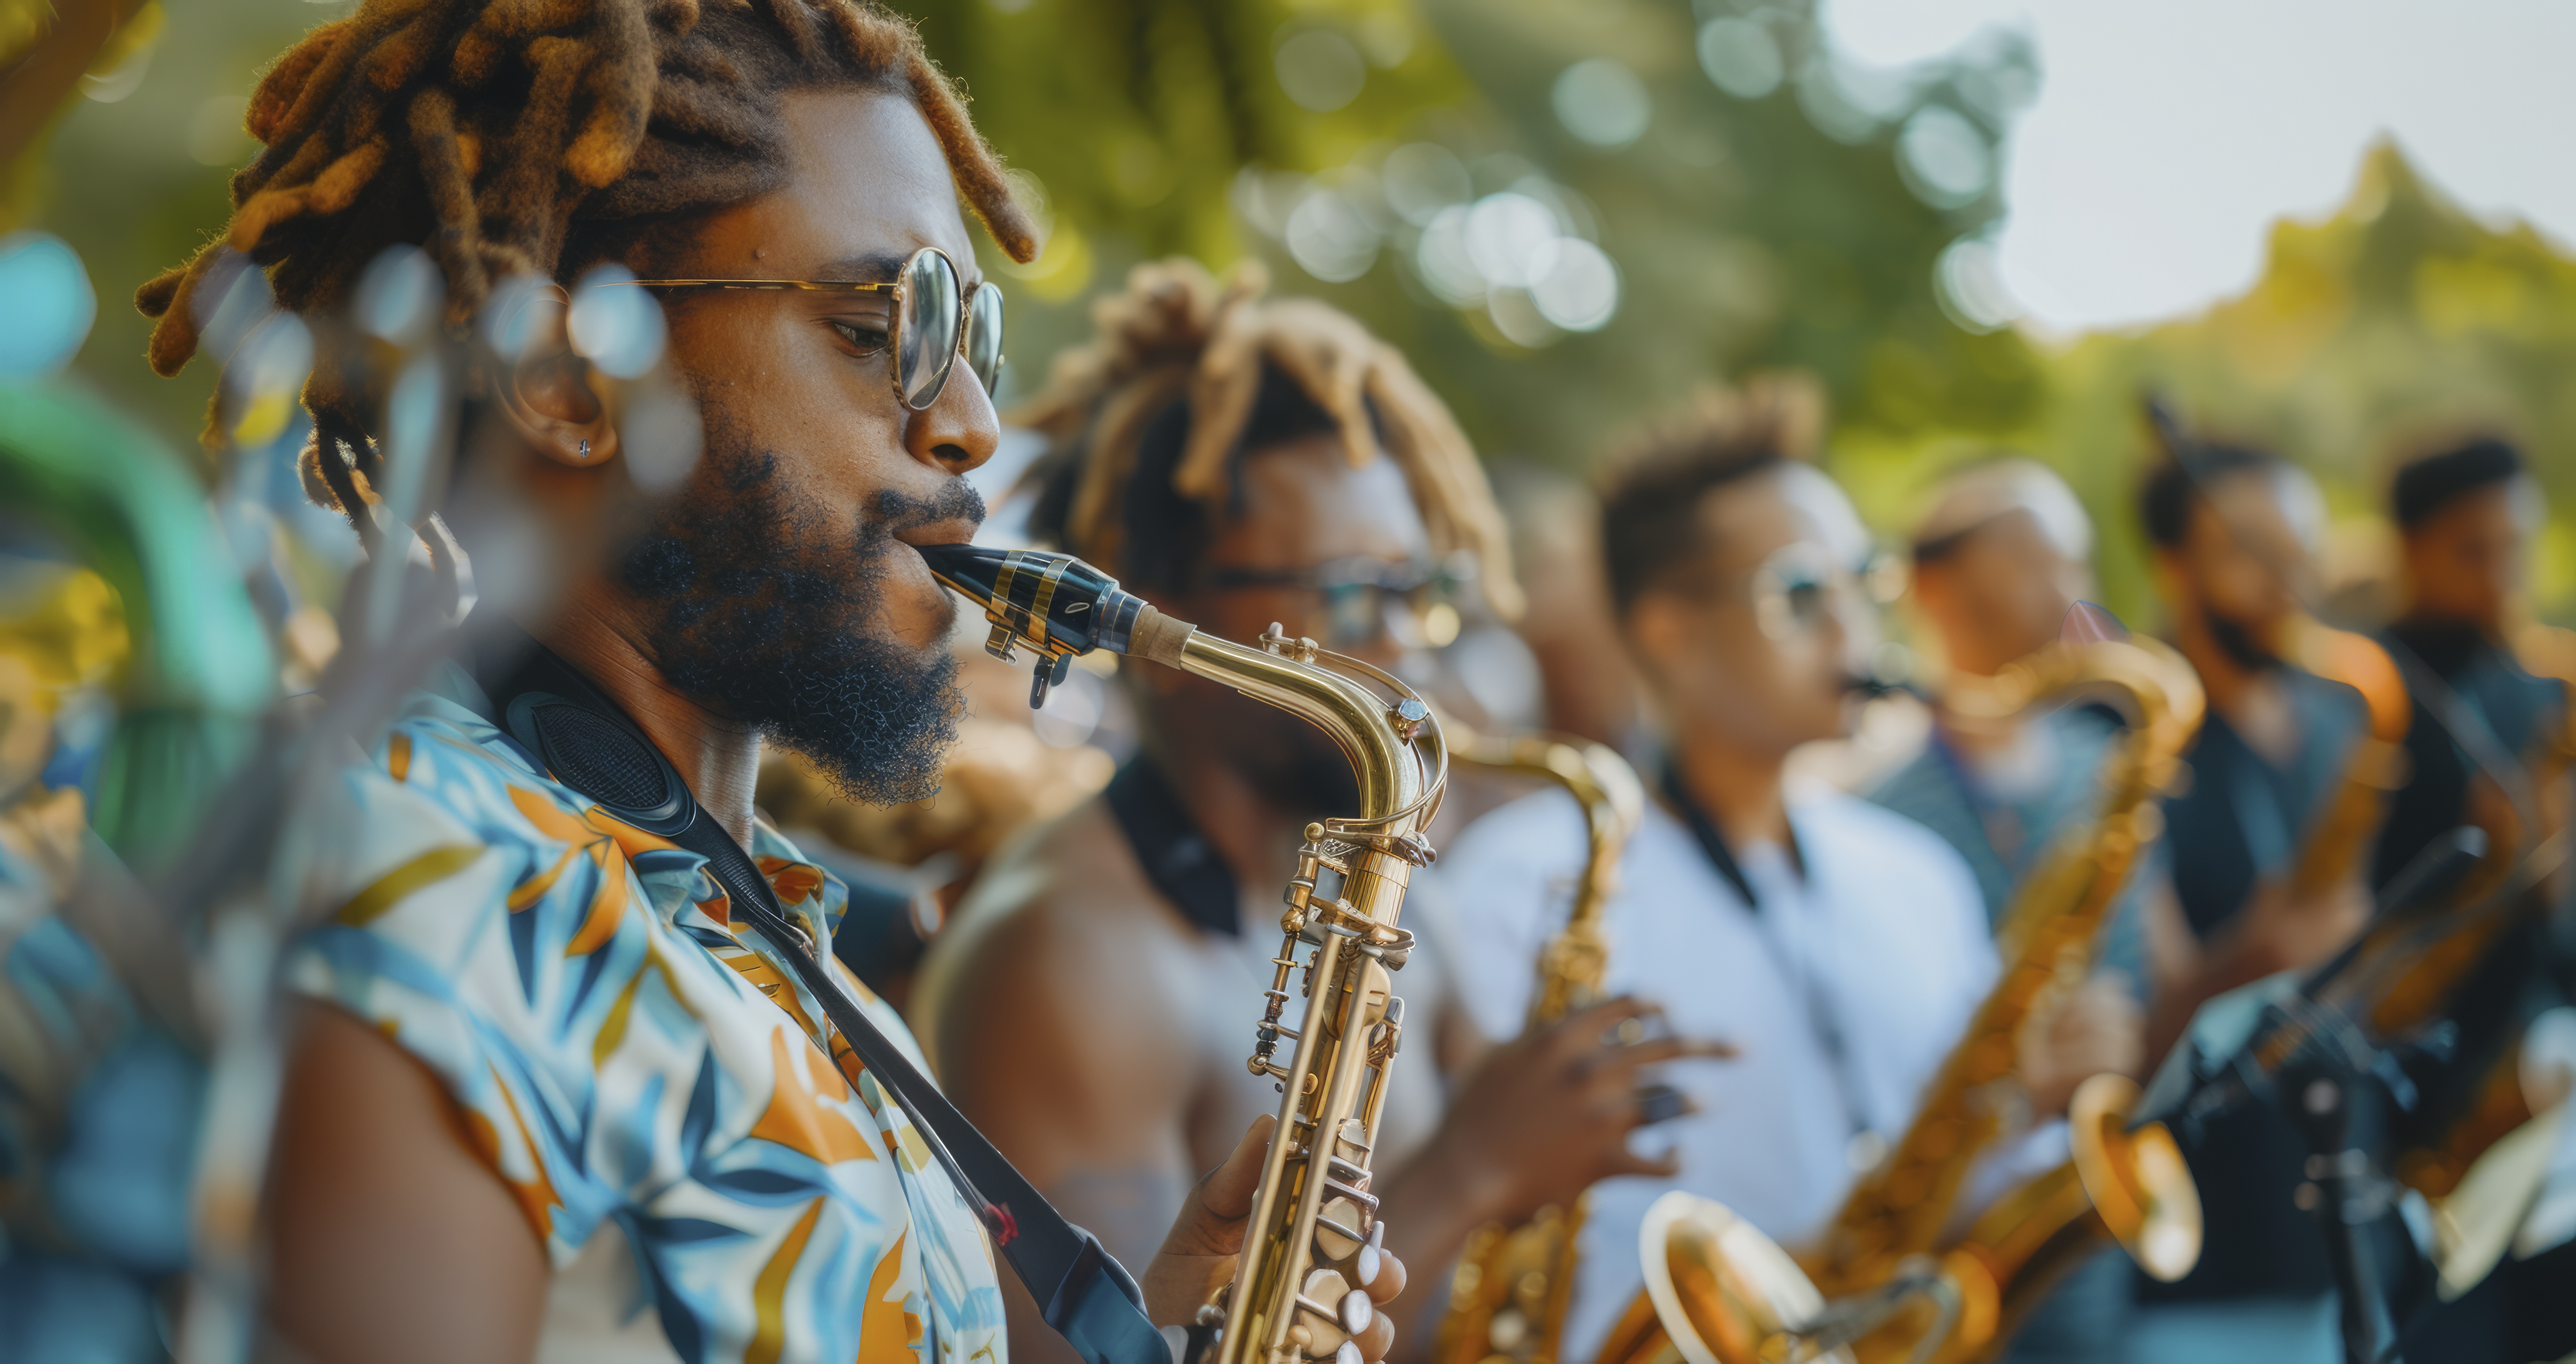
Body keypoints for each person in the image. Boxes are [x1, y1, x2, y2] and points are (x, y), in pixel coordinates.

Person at [134, 6, 1407, 1361]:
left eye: (974, 330)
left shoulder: (791, 949)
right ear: (566, 381)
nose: (970, 419)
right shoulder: (429, 875)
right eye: (881, 325)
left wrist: (1158, 1324)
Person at [910, 260, 1718, 1364]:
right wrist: (1474, 1173)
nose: (1396, 652)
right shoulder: (1061, 956)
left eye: (1412, 595)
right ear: (1170, 616)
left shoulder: (1364, 873)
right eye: (1346, 595)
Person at [1438, 383, 2129, 1363]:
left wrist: (2034, 1102)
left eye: (1859, 583)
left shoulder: (1914, 875)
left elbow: (1956, 1189)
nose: (1854, 631)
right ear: (1668, 632)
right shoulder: (1526, 884)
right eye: (1802, 595)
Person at [1863, 458, 2148, 1364]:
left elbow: (2166, 976)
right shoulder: (1873, 816)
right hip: (1953, 1272)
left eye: (2076, 561)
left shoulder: (2106, 767)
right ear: (1931, 589)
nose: (2070, 593)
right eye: (2034, 559)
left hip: (2106, 1257)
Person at [2127, 444, 2400, 1362]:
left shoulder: (2331, 717)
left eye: (2301, 552)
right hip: (2198, 1255)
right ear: (2171, 566)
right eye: (2250, 552)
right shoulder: (2124, 742)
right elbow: (2135, 1039)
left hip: (2339, 1213)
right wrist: (2252, 954)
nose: (2287, 583)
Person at [2369, 438, 2576, 1364]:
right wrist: (2495, 864)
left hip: (2541, 1096)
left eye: (2514, 546)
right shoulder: (2371, 694)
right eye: (2472, 550)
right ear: (2408, 549)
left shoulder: (2537, 683)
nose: (2502, 575)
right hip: (2420, 1100)